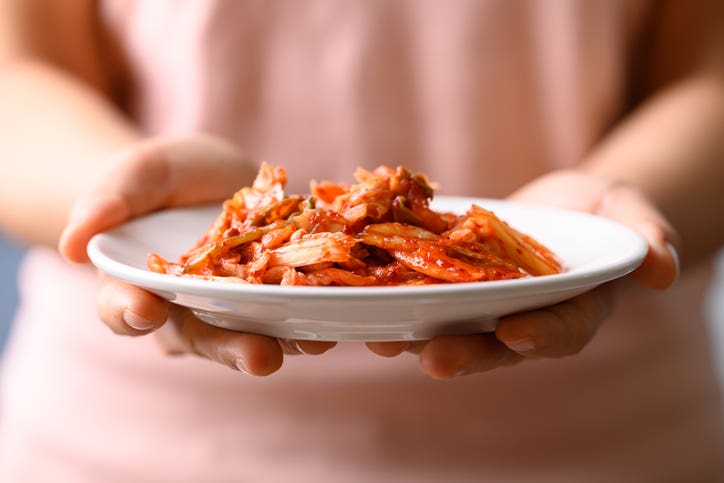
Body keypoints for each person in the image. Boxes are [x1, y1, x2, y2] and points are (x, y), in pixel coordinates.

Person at [0, 0, 722, 481]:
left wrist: (623, 200)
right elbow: (18, 72)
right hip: (119, 444)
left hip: (608, 440)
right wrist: (123, 198)